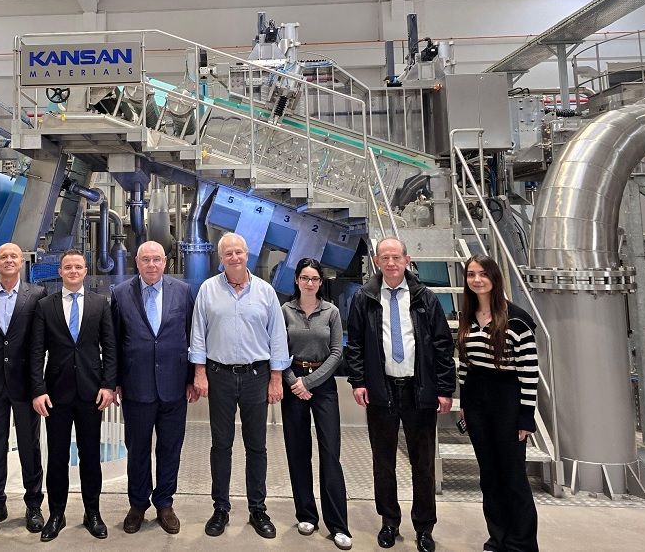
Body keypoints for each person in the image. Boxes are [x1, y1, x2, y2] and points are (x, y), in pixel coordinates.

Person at [346, 237, 455, 552]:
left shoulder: (425, 298)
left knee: (423, 463)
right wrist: (358, 381)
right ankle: (389, 521)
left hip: (418, 390)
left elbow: (442, 345)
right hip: (381, 391)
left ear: (407, 260)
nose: (391, 263)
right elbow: (356, 344)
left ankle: (424, 527)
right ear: (377, 262)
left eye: (396, 257)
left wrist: (445, 388)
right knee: (383, 462)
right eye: (385, 258)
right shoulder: (365, 298)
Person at [190, 232, 290, 540]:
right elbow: (198, 334)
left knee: (256, 446)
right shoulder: (208, 290)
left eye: (239, 252)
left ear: (248, 255)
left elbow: (277, 337)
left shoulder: (265, 292)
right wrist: (199, 373)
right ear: (221, 259)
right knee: (221, 445)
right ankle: (220, 508)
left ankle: (257, 509)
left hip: (256, 377)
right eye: (228, 253)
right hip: (219, 375)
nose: (234, 257)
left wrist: (276, 379)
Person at [30, 249, 118, 542]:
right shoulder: (45, 306)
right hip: (56, 394)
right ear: (61, 271)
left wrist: (108, 385)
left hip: (92, 393)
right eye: (67, 267)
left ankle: (92, 512)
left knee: (90, 455)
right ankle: (56, 513)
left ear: (85, 270)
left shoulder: (100, 304)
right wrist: (38, 390)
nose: (73, 271)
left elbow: (110, 347)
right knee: (57, 457)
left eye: (78, 266)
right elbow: (36, 351)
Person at [110, 241, 197, 535]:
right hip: (136, 387)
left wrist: (192, 377)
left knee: (170, 449)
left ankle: (164, 504)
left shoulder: (182, 291)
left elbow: (192, 336)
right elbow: (114, 342)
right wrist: (114, 381)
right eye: (146, 259)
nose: (151, 264)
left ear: (165, 262)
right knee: (137, 450)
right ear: (137, 262)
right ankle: (137, 505)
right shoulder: (120, 294)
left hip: (174, 386)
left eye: (156, 259)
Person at [459, 255, 539, 552]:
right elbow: (465, 365)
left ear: (495, 277)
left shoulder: (516, 319)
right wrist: (465, 405)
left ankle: (522, 543)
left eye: (483, 274)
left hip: (507, 399)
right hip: (477, 400)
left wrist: (526, 416)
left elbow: (529, 371)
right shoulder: (468, 316)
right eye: (471, 274)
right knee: (489, 476)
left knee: (513, 476)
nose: (477, 280)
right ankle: (498, 538)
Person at [281, 258, 352, 550]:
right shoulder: (285, 311)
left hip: (322, 386)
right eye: (305, 278)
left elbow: (336, 353)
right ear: (297, 280)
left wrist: (309, 383)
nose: (309, 283)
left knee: (330, 453)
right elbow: (278, 350)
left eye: (314, 279)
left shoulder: (331, 312)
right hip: (292, 384)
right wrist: (293, 382)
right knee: (298, 452)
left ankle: (338, 524)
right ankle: (306, 514)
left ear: (321, 283)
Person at [0, 242, 46, 535]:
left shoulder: (37, 295)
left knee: (29, 445)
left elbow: (40, 343)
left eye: (13, 256)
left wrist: (39, 384)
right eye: (3, 256)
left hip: (25, 383)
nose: (8, 260)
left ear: (21, 261)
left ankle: (33, 504)